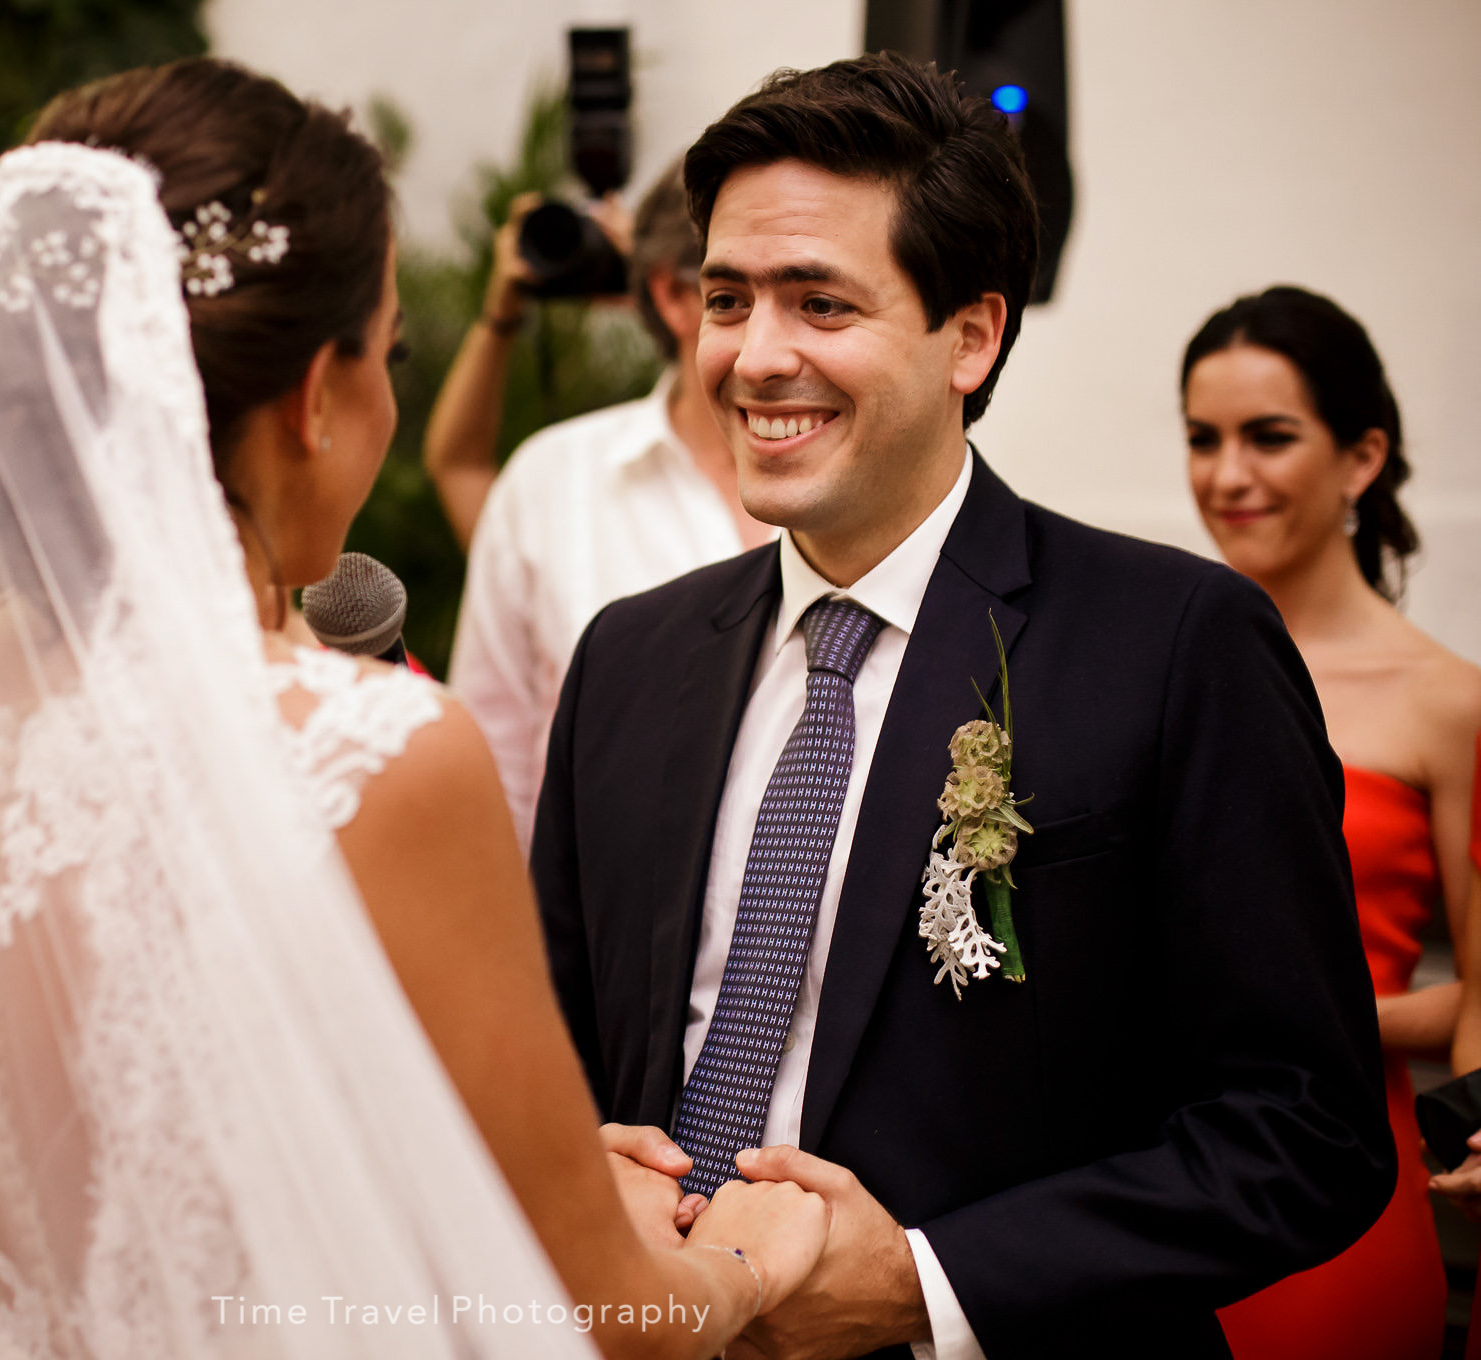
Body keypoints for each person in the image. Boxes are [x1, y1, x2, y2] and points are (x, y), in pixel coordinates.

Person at [0, 59, 827, 1360]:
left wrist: (507, 1162)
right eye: (388, 352)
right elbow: (607, 1312)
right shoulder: (374, 752)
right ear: (317, 395)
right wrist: (747, 1262)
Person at [534, 55, 1394, 1360]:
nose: (757, 358)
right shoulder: (629, 659)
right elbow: (559, 1046)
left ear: (972, 335)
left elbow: (1305, 1129)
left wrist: (929, 1285)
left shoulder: (1173, 645)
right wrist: (582, 1171)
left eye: (821, 303)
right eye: (727, 299)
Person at [1179, 284, 1481, 1360]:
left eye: (1269, 438)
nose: (1228, 475)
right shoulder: (1152, 662)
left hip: (1335, 1177)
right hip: (1129, 1178)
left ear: (1361, 458)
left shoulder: (1447, 702)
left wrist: (1317, 1011)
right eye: (1203, 439)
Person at [447, 165, 773, 847]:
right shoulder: (552, 481)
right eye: (737, 294)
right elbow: (495, 767)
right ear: (675, 297)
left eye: (822, 299)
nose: (787, 340)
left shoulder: (864, 485)